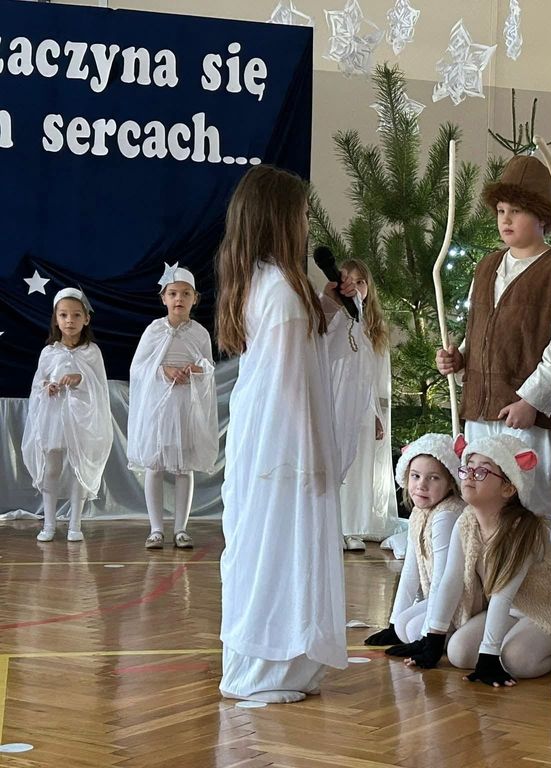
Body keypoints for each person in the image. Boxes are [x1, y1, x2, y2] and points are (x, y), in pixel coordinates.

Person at [215, 165, 359, 703]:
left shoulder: (266, 282)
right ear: (280, 220)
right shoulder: (280, 292)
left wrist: (324, 308)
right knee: (279, 546)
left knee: (267, 546)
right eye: (300, 214)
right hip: (284, 440)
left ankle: (275, 662)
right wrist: (311, 455)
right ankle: (268, 668)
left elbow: (295, 360)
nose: (306, 224)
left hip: (266, 434)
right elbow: (290, 384)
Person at [435, 155, 551, 526]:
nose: (506, 219)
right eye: (500, 210)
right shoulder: (486, 267)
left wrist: (532, 400)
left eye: (517, 210)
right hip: (480, 412)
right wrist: (459, 359)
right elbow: (479, 333)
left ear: (541, 216)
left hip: (526, 421)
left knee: (528, 509)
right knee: (479, 508)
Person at [398, 434, 551, 685]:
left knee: (516, 660)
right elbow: (451, 580)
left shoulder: (522, 530)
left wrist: (489, 655)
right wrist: (433, 638)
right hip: (511, 610)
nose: (469, 476)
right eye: (468, 468)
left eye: (481, 472)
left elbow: (502, 592)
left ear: (508, 488)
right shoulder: (466, 521)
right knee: (458, 652)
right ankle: (514, 642)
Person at [127, 265, 218, 550]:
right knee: (154, 466)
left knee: (183, 468)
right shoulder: (154, 330)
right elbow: (138, 368)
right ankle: (156, 529)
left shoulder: (200, 333)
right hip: (159, 409)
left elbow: (208, 367)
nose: (179, 298)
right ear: (164, 298)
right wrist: (163, 370)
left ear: (195, 299)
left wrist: (197, 370)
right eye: (173, 293)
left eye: (186, 294)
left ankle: (181, 529)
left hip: (186, 409)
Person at [23, 288, 113, 543]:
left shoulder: (92, 352)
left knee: (77, 469)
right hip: (54, 419)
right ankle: (49, 523)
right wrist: (47, 387)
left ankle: (75, 524)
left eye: (76, 315)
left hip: (81, 421)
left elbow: (99, 386)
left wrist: (80, 379)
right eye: (63, 315)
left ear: (86, 319)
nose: (69, 320)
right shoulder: (49, 352)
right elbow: (37, 383)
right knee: (51, 468)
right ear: (56, 319)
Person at [364, 433, 464, 646]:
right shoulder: (420, 512)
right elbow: (411, 571)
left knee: (411, 631)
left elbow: (442, 580)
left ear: (450, 483)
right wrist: (392, 624)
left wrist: (431, 635)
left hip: (460, 601)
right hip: (436, 598)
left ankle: (452, 635)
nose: (421, 485)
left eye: (433, 478)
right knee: (402, 626)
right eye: (415, 476)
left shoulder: (446, 515)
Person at [336, 258, 400, 552]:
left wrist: (379, 413)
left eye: (360, 282)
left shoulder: (375, 326)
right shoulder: (335, 319)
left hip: (367, 406)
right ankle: (337, 525)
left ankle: (355, 526)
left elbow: (379, 374)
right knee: (340, 463)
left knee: (360, 464)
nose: (355, 287)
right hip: (339, 402)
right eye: (349, 281)